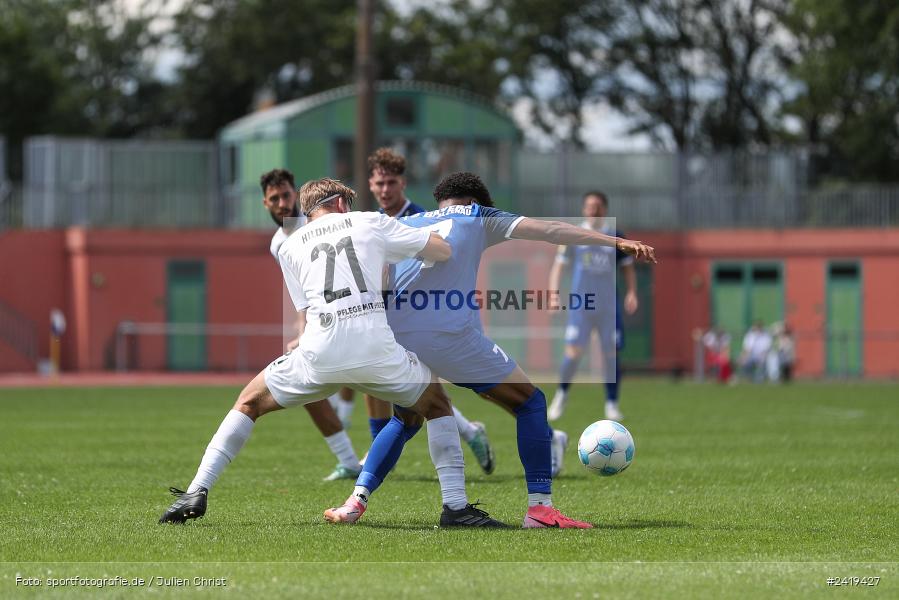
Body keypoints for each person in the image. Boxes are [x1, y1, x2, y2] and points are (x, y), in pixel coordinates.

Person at [160, 178, 505, 527]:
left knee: (248, 402)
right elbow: (441, 251)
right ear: (341, 203)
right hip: (375, 349)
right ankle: (456, 508)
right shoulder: (370, 220)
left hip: (320, 353)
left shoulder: (290, 246)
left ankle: (197, 489)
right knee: (437, 406)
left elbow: (308, 308)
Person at [324, 172, 655, 529]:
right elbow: (552, 230)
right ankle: (540, 510)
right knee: (531, 402)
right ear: (477, 201)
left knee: (404, 419)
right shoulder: (479, 217)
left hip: (397, 337)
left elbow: (380, 277)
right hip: (450, 337)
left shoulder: (409, 222)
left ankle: (355, 502)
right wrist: (616, 242)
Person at [364, 148, 495, 474]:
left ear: (402, 183)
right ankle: (465, 432)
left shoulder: (422, 216)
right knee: (383, 381)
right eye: (379, 183)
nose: (384, 190)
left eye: (391, 183)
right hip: (395, 315)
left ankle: (541, 436)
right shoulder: (373, 221)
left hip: (432, 315)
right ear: (370, 184)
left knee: (421, 390)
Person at [260, 169, 361, 481]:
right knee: (311, 393)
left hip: (356, 310)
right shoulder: (279, 243)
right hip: (324, 320)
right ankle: (349, 461)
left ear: (296, 194)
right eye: (274, 198)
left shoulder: (316, 221)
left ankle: (465, 430)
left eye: (286, 195)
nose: (281, 203)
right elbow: (302, 290)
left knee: (401, 390)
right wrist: (302, 326)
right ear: (266, 203)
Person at [546, 191, 639, 422]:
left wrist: (632, 292)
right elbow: (559, 267)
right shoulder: (574, 235)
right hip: (582, 305)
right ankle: (561, 395)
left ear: (604, 209)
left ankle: (612, 404)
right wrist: (553, 295)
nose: (593, 209)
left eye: (597, 206)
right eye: (589, 205)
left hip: (609, 306)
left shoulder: (615, 236)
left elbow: (627, 267)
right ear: (583, 209)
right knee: (574, 353)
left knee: (611, 354)